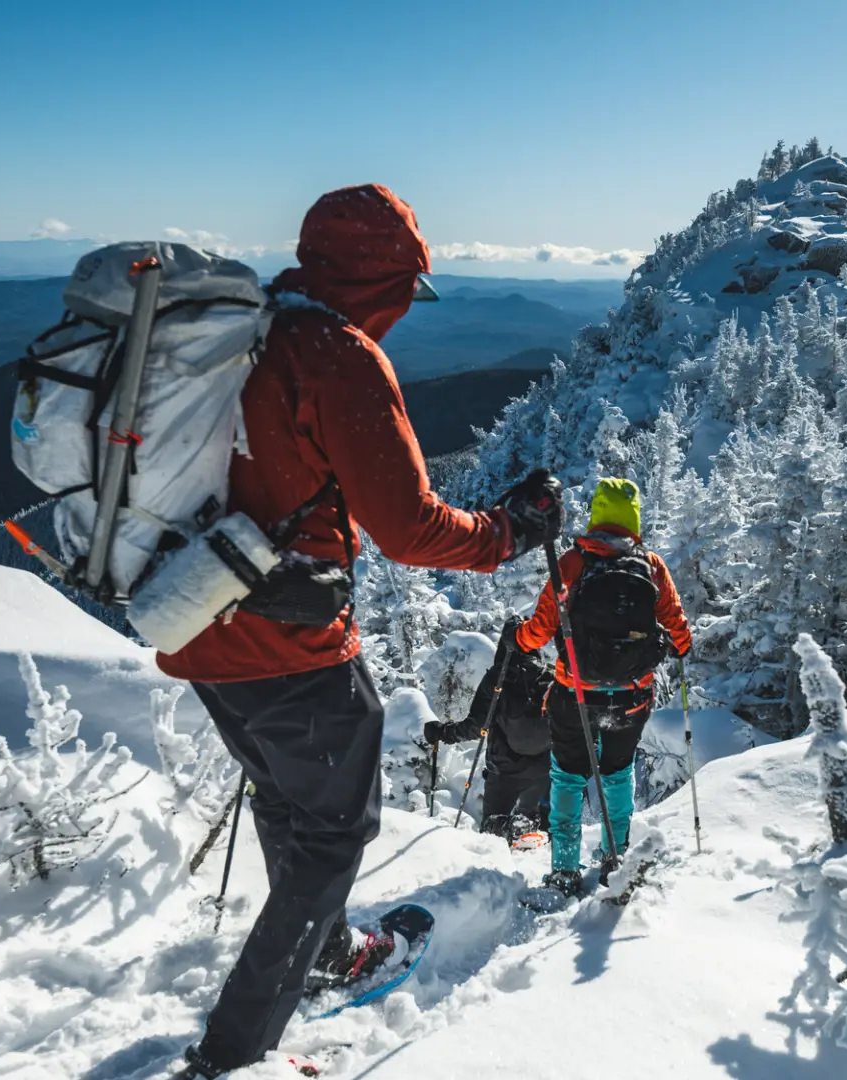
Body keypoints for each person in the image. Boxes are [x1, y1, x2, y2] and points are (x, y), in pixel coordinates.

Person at [156, 184, 562, 1079]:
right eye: (408, 292)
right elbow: (409, 530)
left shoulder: (247, 329)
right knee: (334, 836)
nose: (408, 312)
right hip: (288, 642)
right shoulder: (337, 357)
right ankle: (235, 1054)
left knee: (287, 801)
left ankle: (328, 951)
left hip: (195, 620)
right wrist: (512, 533)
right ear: (384, 282)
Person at [513, 478, 693, 896]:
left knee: (568, 777)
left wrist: (518, 640)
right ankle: (618, 859)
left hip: (574, 693)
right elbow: (678, 628)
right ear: (634, 519)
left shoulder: (573, 564)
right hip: (631, 696)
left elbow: (539, 630)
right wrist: (679, 645)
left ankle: (563, 870)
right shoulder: (650, 565)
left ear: (597, 515)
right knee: (616, 774)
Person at [423, 616, 556, 843]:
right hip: (544, 766)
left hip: (505, 768)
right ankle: (532, 836)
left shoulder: (498, 678)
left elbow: (476, 727)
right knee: (537, 817)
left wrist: (442, 733)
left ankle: (512, 830)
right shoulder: (549, 675)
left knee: (491, 825)